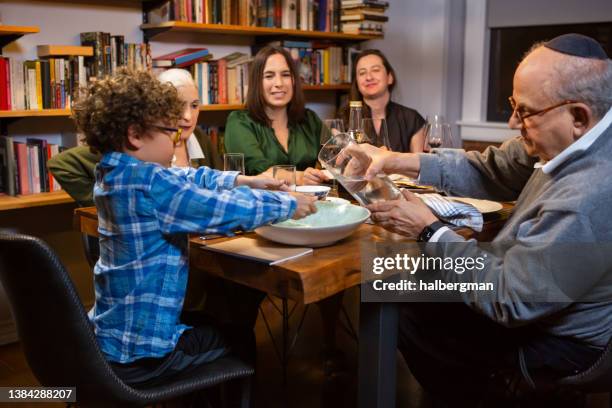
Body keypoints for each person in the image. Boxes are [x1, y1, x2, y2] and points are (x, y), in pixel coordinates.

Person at [347, 34, 612, 405]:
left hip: (559, 337)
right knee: (404, 282)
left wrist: (429, 229)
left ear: (579, 116)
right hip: (537, 292)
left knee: (392, 296)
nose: (512, 122)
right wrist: (393, 159)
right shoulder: (580, 132)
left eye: (525, 112)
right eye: (512, 106)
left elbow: (509, 298)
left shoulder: (589, 193)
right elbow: (496, 166)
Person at [71, 67, 317, 384]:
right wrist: (289, 204)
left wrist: (245, 179)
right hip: (144, 354)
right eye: (171, 133)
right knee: (240, 337)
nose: (177, 140)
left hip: (114, 337)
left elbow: (190, 176)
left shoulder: (115, 172)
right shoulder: (150, 185)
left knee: (215, 319)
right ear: (134, 134)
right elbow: (220, 209)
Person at [48, 68, 221, 207]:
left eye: (195, 105)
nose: (187, 116)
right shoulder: (128, 162)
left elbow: (188, 178)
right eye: (176, 107)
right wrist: (102, 204)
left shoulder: (200, 138)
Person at [224, 45, 328, 185]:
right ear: (257, 83)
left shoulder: (309, 119)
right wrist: (300, 177)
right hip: (260, 204)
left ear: (294, 80)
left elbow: (336, 157)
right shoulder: (239, 122)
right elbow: (257, 168)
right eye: (269, 76)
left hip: (309, 203)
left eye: (285, 75)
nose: (279, 83)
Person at [342, 49, 426, 153]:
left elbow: (420, 165)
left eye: (376, 70)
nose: (368, 77)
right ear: (357, 83)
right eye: (362, 73)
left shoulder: (411, 119)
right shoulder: (344, 118)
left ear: (390, 77)